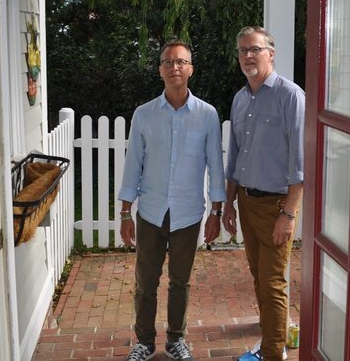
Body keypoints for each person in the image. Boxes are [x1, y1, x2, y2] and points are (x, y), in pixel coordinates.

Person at [119, 39, 225, 361]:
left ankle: (176, 339)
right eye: (168, 62)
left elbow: (215, 167)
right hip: (150, 212)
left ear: (190, 69)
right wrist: (125, 212)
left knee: (181, 281)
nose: (174, 67)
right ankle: (145, 341)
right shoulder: (144, 115)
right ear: (160, 69)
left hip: (188, 214)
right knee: (145, 282)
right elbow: (132, 164)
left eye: (181, 62)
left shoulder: (207, 115)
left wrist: (216, 211)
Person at [222, 26, 305, 361]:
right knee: (259, 276)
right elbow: (235, 157)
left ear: (271, 52)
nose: (248, 56)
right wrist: (227, 203)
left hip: (276, 206)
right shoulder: (241, 99)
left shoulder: (290, 96)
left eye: (255, 49)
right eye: (242, 51)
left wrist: (288, 214)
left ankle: (274, 353)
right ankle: (273, 339)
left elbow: (300, 162)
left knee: (272, 283)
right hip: (245, 200)